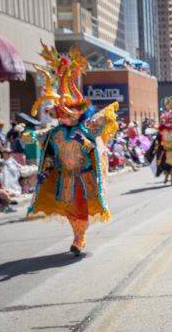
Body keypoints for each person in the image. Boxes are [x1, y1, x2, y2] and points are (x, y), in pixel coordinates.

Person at [26, 42, 119, 255]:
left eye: (69, 113)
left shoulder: (86, 128)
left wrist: (84, 141)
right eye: (62, 114)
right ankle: (78, 235)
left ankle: (79, 238)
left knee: (82, 208)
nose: (66, 117)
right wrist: (45, 171)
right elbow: (50, 155)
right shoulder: (55, 133)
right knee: (70, 210)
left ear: (78, 113)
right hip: (65, 178)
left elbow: (92, 148)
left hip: (84, 177)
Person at [146, 97, 172, 185]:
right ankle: (167, 177)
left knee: (167, 164)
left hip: (170, 150)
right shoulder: (166, 127)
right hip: (167, 149)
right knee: (166, 164)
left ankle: (169, 177)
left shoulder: (171, 127)